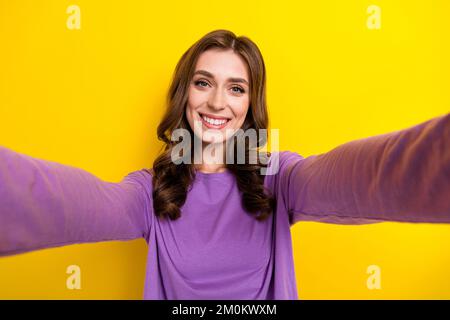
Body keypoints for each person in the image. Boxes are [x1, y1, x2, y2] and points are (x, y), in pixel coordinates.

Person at [0, 29, 449, 300]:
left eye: (236, 88)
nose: (217, 102)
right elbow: (64, 203)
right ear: (184, 94)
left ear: (251, 103)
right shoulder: (147, 193)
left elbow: (370, 176)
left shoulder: (282, 179)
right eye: (203, 83)